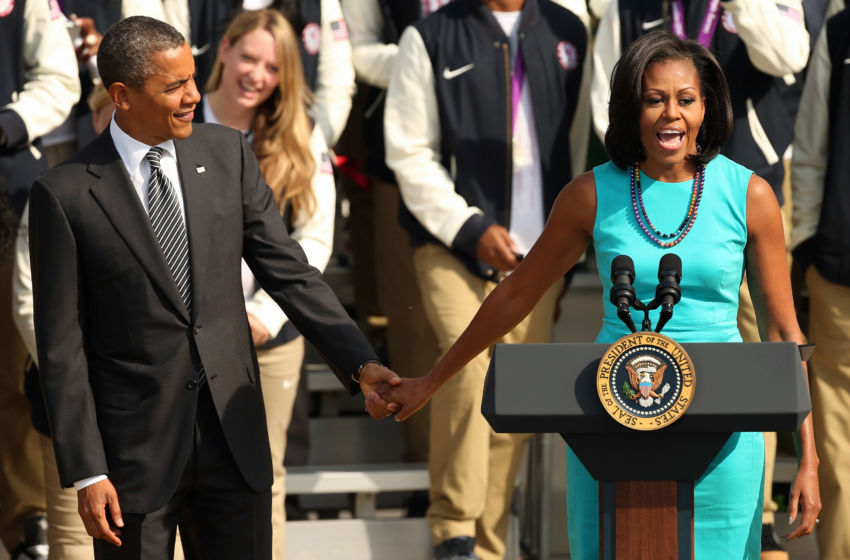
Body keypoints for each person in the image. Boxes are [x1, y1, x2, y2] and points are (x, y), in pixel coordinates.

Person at [381, 31, 821, 559]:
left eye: (685, 99)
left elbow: (782, 334)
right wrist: (431, 382)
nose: (670, 115)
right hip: (609, 428)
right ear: (630, 107)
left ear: (708, 106)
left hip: (723, 440)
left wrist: (809, 461)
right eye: (654, 99)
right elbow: (516, 295)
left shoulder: (750, 194)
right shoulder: (589, 193)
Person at [27, 15, 400, 560]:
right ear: (122, 96)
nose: (193, 97)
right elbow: (61, 346)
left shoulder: (227, 154)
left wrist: (359, 363)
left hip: (234, 439)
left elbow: (290, 272)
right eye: (174, 86)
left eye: (194, 79)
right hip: (133, 460)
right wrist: (88, 470)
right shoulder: (63, 194)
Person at [383, 0, 587, 557]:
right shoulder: (429, 35)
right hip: (454, 247)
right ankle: (455, 528)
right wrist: (470, 227)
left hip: (536, 257)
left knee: (514, 393)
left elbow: (573, 145)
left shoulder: (570, 30)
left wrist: (564, 242)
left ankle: (490, 543)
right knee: (464, 366)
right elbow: (408, 152)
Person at [198, 9, 336, 558]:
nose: (256, 75)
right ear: (224, 50)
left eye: (273, 67)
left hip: (268, 335)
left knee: (263, 476)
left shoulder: (301, 132)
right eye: (248, 58)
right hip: (179, 334)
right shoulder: (180, 118)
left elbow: (317, 239)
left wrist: (267, 316)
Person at [0, 2, 79, 559]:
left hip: (7, 194)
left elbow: (58, 75)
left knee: (11, 375)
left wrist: (8, 123)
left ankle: (26, 521)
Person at [790, 3, 849, 557]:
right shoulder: (840, 29)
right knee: (837, 436)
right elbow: (810, 150)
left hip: (833, 257)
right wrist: (808, 244)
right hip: (840, 266)